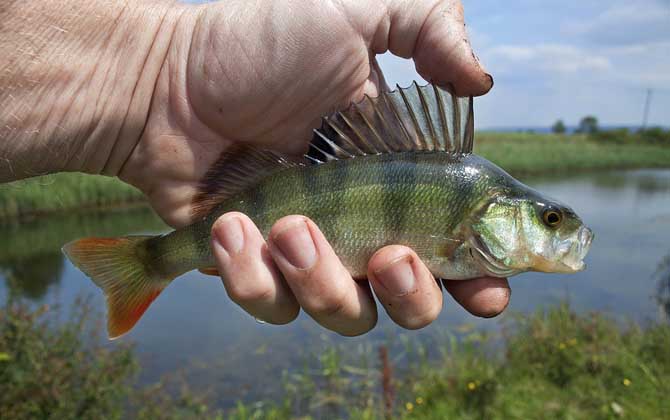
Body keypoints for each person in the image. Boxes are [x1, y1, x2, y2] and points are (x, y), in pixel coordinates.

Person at [0, 0, 509, 336]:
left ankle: (149, 264)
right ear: (496, 213)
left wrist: (154, 73)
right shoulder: (468, 188)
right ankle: (147, 263)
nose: (561, 228)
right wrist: (157, 73)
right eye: (549, 220)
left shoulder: (468, 181)